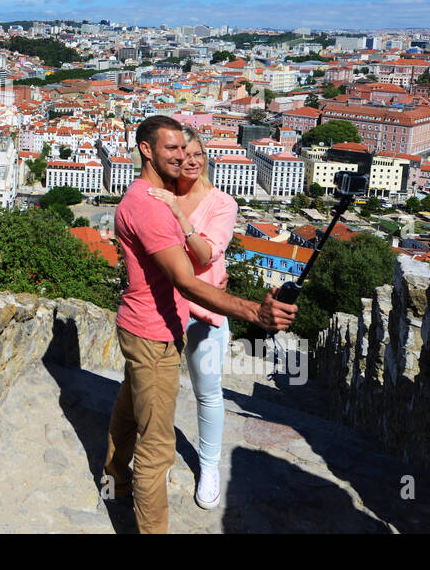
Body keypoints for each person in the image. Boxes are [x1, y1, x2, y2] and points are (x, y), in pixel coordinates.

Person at [103, 115, 294, 534]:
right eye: (170, 148)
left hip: (143, 323)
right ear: (146, 150)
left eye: (185, 149)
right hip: (153, 331)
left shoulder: (147, 196)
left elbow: (201, 257)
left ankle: (113, 482)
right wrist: (254, 313)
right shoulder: (151, 206)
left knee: (129, 407)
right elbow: (187, 280)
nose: (179, 156)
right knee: (157, 448)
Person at [144, 127, 237, 510]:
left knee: (208, 391)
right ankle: (157, 457)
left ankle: (209, 466)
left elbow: (204, 256)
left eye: (198, 154)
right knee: (158, 390)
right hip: (165, 308)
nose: (191, 161)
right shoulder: (158, 193)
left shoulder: (222, 203)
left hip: (206, 313)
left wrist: (177, 212)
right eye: (183, 155)